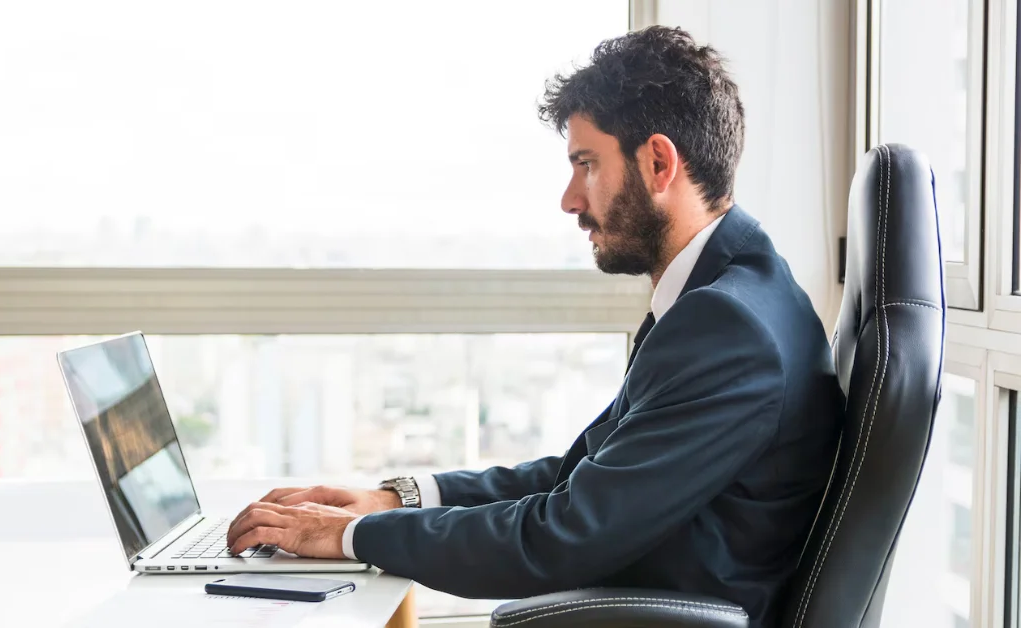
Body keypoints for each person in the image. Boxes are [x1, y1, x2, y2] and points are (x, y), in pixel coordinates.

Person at [227, 26, 843, 627]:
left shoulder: (728, 327)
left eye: (587, 164)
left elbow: (563, 537)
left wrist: (351, 535)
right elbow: (589, 473)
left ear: (658, 162)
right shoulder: (735, 292)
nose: (570, 199)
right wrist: (398, 500)